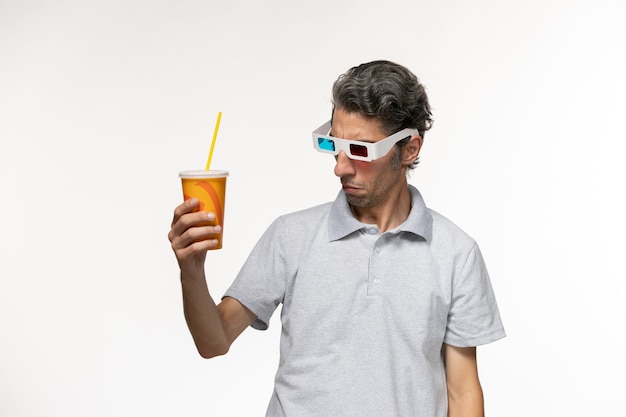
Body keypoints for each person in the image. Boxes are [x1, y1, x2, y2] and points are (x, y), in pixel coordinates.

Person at [168, 60, 505, 417]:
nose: (340, 167)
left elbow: (464, 394)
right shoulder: (290, 236)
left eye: (360, 150)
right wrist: (191, 269)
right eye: (334, 145)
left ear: (409, 150)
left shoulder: (456, 253)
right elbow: (213, 341)